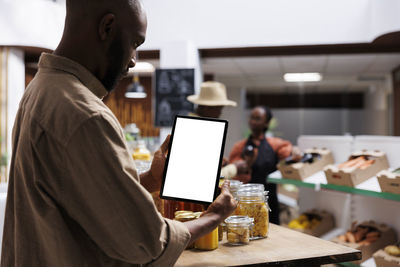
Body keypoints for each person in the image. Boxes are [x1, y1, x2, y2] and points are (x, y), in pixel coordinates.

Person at [1, 1, 237, 266]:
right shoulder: (85, 114)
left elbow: (82, 192)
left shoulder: (41, 89)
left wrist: (149, 178)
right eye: (135, 43)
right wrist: (214, 216)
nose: (134, 60)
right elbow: (147, 244)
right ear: (107, 26)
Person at [229, 106, 300, 225]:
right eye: (251, 118)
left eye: (257, 118)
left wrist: (295, 151)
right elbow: (234, 174)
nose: (253, 121)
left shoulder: (275, 144)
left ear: (266, 123)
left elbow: (289, 153)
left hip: (269, 200)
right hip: (246, 201)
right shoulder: (239, 146)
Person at [187, 81, 253, 179]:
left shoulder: (197, 127)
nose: (219, 114)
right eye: (219, 109)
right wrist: (234, 168)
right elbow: (200, 178)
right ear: (206, 107)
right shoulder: (195, 131)